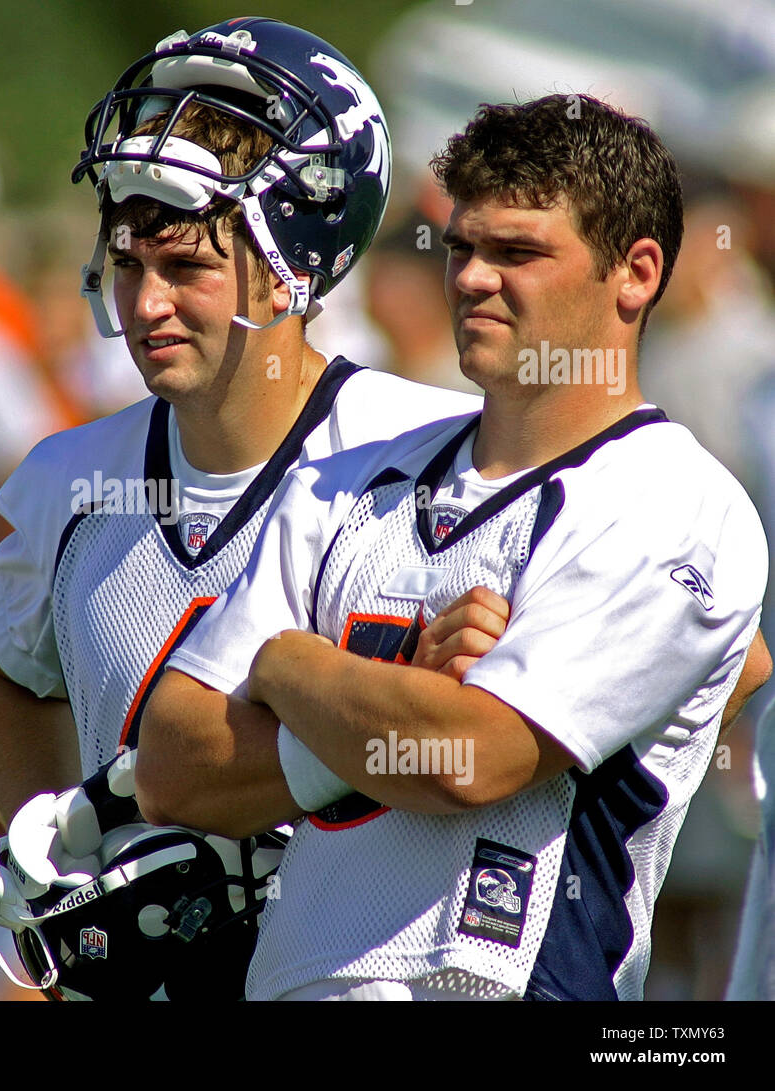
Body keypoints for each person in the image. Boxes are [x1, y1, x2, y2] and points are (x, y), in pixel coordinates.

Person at [141, 94, 770, 1001]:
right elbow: (172, 764)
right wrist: (391, 684)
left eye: (517, 252)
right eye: (464, 247)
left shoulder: (675, 501)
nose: (472, 278)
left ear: (635, 273)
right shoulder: (349, 475)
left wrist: (287, 665)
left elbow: (468, 759)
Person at [0, 18, 484, 999]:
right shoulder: (66, 484)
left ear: (297, 259)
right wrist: (56, 846)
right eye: (128, 265)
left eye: (186, 266)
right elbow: (13, 670)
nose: (146, 305)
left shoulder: (447, 456)